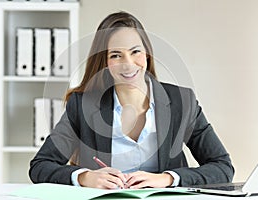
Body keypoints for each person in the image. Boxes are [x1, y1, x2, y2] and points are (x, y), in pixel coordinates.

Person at [29, 11, 234, 189]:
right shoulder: (83, 105)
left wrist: (168, 179)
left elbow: (222, 167)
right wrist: (84, 177)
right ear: (104, 63)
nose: (128, 64)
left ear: (147, 55)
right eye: (116, 55)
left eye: (135, 51)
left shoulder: (182, 101)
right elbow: (40, 166)